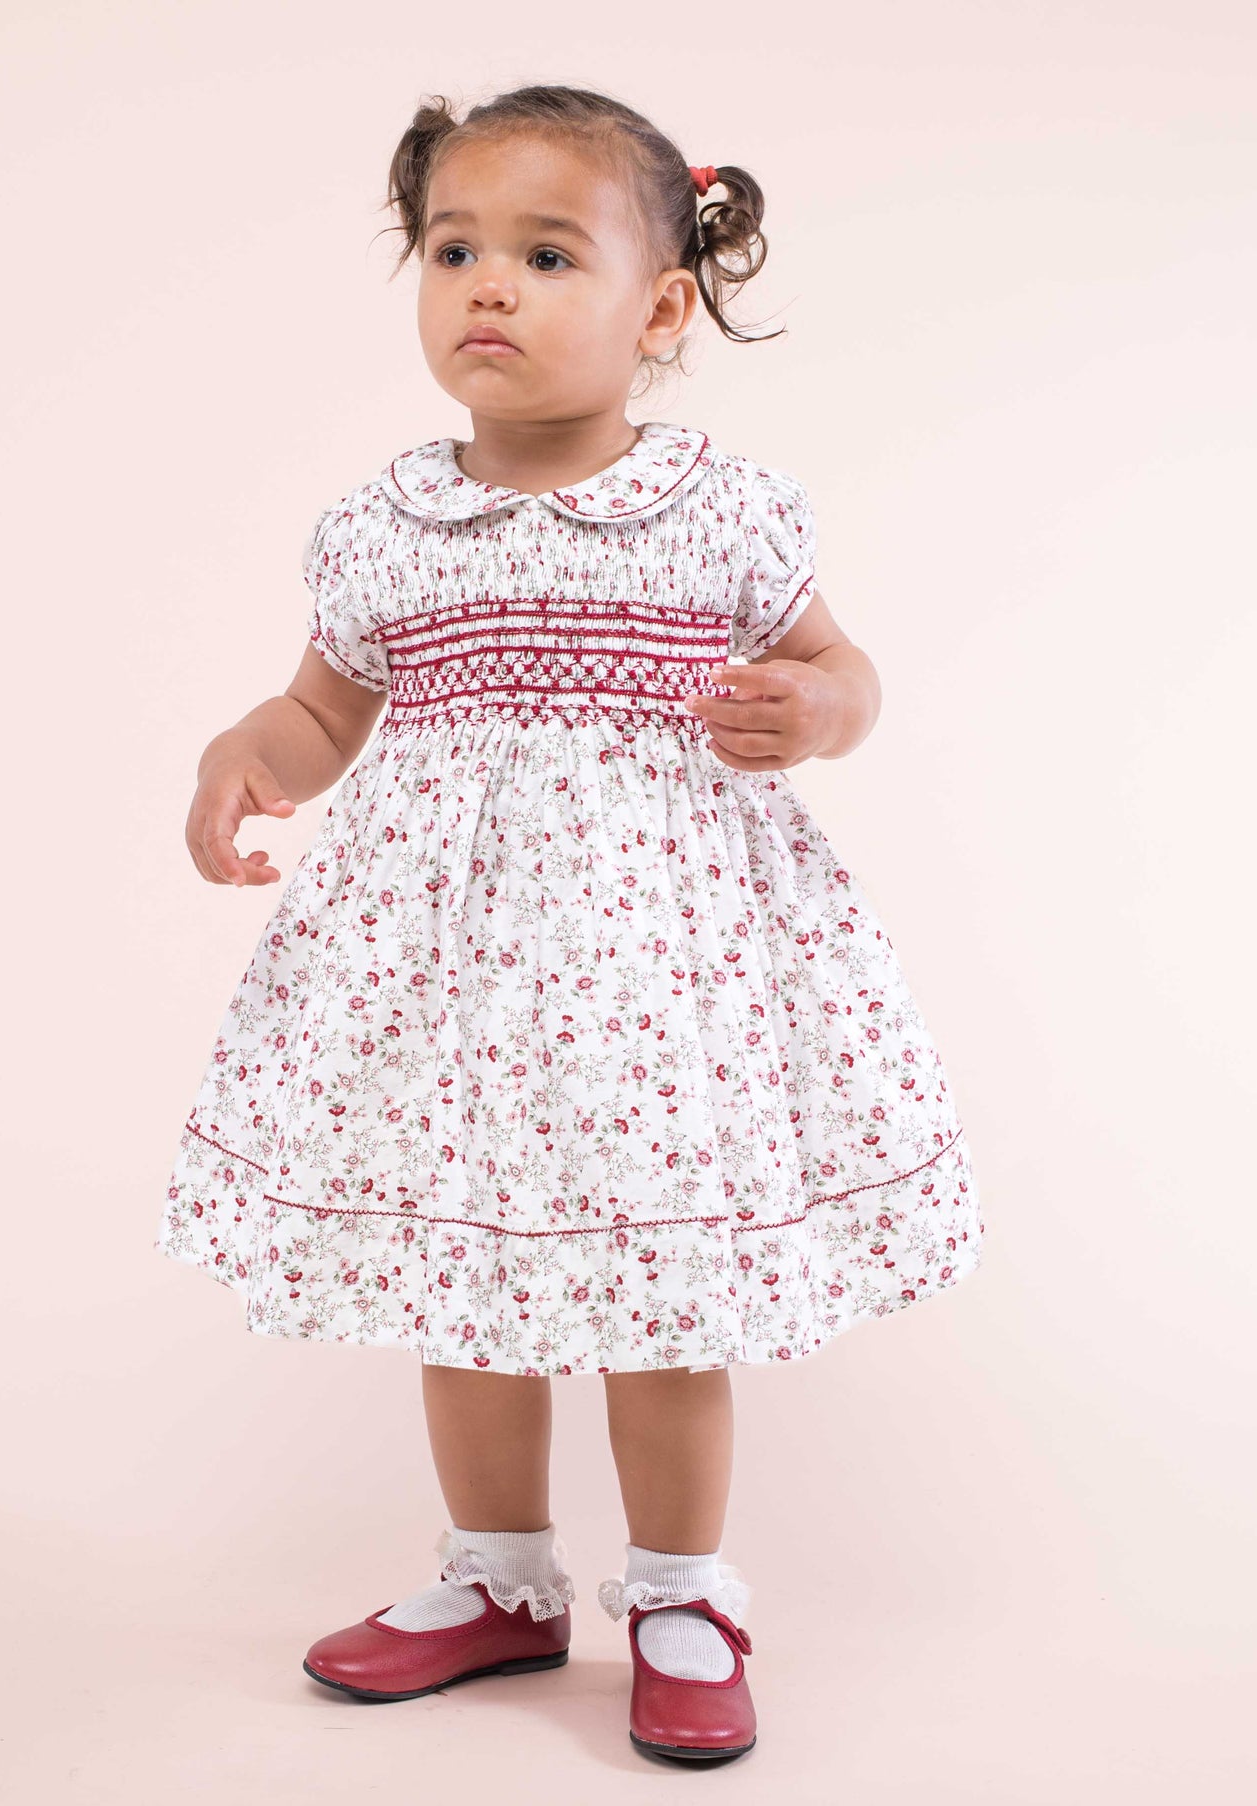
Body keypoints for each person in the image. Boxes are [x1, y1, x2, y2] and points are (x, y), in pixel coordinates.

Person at [155, 83, 984, 1764]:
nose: (488, 286)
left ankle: (681, 1590)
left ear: (658, 308)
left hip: (659, 984)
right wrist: (253, 750)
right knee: (463, 1284)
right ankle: (500, 1579)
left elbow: (845, 667)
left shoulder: (718, 511)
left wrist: (819, 713)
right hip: (446, 986)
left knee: (661, 1297)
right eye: (455, 248)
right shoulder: (385, 527)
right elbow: (330, 710)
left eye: (545, 253)